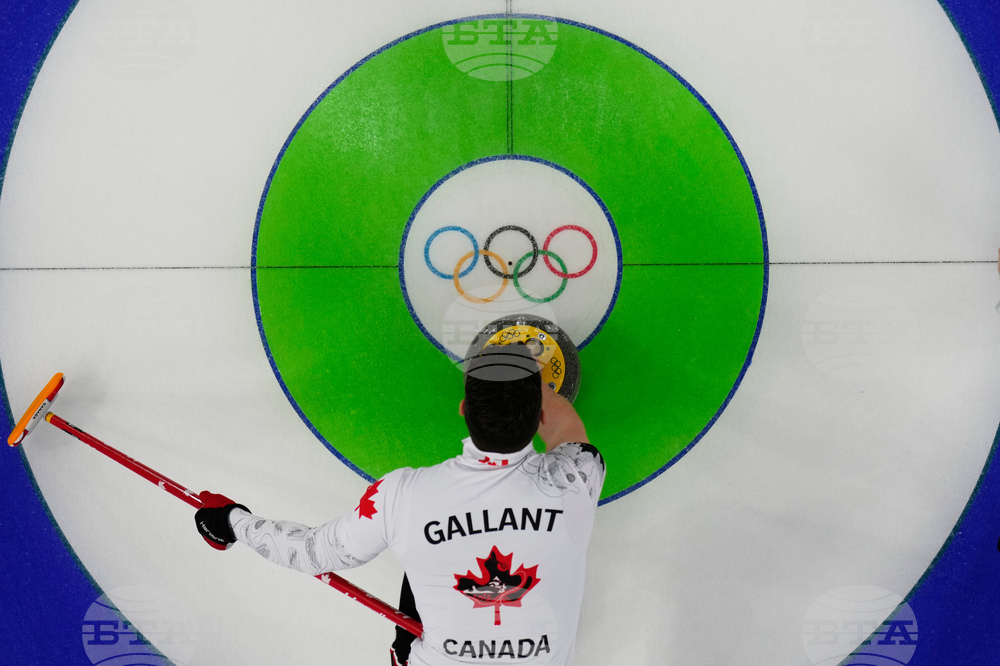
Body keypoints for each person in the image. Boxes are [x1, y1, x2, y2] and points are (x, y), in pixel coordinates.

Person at [195, 344, 605, 665]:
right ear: (539, 416)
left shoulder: (402, 496)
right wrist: (527, 385)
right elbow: (568, 427)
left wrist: (232, 522)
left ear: (463, 411)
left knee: (419, 548)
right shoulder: (577, 475)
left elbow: (311, 551)